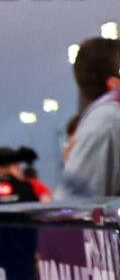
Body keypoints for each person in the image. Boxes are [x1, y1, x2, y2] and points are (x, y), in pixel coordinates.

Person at [63, 36, 120, 196]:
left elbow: (70, 201)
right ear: (113, 84)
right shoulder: (107, 120)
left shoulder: (104, 121)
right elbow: (75, 203)